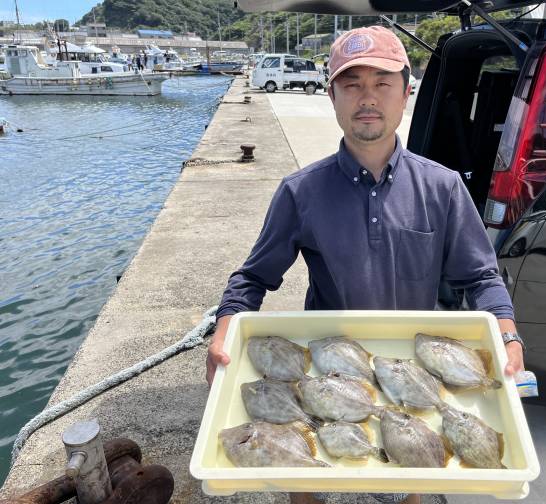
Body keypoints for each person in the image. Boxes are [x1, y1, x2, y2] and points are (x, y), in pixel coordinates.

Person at [207, 26, 525, 504]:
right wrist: (224, 329)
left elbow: (481, 277)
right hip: (325, 368)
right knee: (305, 482)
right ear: (332, 96)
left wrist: (508, 335)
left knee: (412, 478)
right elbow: (252, 278)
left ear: (405, 93)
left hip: (413, 365)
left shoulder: (442, 187)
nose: (368, 98)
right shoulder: (300, 191)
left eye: (382, 83)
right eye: (352, 85)